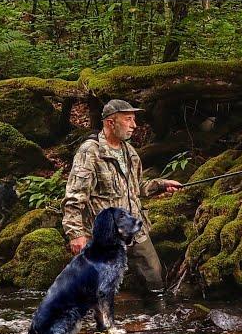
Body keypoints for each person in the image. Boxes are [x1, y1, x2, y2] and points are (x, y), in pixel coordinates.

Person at [61, 99, 182, 293]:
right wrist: (76, 234)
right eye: (128, 119)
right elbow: (74, 197)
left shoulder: (130, 152)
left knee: (155, 280)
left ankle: (154, 320)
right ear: (110, 122)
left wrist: (161, 184)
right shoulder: (90, 152)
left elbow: (136, 187)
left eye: (134, 119)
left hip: (135, 230)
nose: (134, 125)